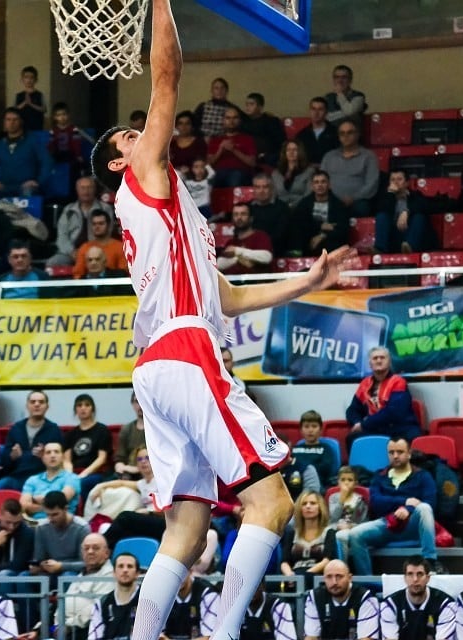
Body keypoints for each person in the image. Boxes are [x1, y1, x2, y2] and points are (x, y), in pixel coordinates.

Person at [90, 3, 349, 638]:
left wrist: (308, 282)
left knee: (186, 528)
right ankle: (224, 631)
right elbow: (168, 77)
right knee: (272, 500)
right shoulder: (144, 179)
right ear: (122, 164)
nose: (140, 134)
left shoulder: (178, 219)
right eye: (129, 137)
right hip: (184, 351)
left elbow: (228, 298)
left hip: (157, 368)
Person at [337, 438, 441, 576]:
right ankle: (367, 582)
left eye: (400, 452)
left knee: (424, 508)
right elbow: (376, 502)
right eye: (391, 452)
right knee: (355, 534)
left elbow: (430, 502)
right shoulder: (380, 476)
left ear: (409, 453)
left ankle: (430, 561)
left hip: (412, 525)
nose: (395, 456)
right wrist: (405, 501)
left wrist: (408, 510)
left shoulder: (423, 476)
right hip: (386, 524)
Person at [345, 346, 421, 450]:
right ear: (370, 364)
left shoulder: (398, 382)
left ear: (389, 362)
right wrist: (357, 422)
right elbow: (352, 409)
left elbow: (393, 412)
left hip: (399, 428)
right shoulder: (365, 384)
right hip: (375, 429)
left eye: (382, 358)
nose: (379, 361)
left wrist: (364, 425)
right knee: (352, 439)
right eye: (375, 358)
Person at [0, 390, 63, 492]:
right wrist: (12, 456)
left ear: (47, 407)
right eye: (33, 402)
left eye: (41, 402)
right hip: (16, 476)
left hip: (41, 477)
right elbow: (4, 461)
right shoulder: (16, 428)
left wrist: (44, 456)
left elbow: (59, 461)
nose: (37, 405)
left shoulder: (54, 430)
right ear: (27, 405)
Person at [0, 108, 53, 198]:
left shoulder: (33, 141)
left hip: (26, 187)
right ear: (4, 123)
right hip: (3, 188)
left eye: (15, 119)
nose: (11, 123)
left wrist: (37, 182)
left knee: (28, 193)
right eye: (8, 120)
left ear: (21, 121)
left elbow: (47, 162)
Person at [380, 556, 457, 640]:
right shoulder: (390, 604)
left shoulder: (445, 604)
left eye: (420, 574)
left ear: (428, 578)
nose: (415, 579)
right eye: (410, 574)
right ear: (405, 578)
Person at [302, 559, 380, 640]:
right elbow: (311, 637)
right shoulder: (314, 597)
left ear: (350, 578)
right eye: (329, 577)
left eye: (339, 576)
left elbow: (366, 638)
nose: (334, 582)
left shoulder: (365, 598)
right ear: (324, 579)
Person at [50, 176, 115, 267]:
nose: (86, 191)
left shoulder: (105, 208)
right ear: (77, 190)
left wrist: (90, 251)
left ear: (94, 189)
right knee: (53, 263)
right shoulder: (68, 210)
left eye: (89, 187)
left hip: (98, 250)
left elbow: (108, 232)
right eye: (83, 188)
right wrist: (71, 252)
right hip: (71, 252)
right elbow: (62, 236)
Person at [319, 119, 378, 218]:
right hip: (331, 200)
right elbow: (321, 180)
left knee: (362, 208)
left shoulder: (369, 156)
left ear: (358, 134)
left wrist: (353, 198)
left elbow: (371, 184)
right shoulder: (329, 156)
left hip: (357, 202)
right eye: (342, 133)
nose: (345, 136)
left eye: (349, 132)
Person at [62, 533, 116, 640]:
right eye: (86, 548)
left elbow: (95, 610)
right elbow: (62, 605)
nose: (90, 551)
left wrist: (67, 625)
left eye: (95, 548)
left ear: (107, 553)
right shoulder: (80, 575)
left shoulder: (110, 576)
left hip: (87, 632)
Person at [279, 491, 337, 587]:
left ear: (320, 507)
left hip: (317, 576)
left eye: (313, 503)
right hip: (293, 576)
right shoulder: (292, 533)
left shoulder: (329, 532)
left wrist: (305, 575)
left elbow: (327, 560)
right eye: (304, 504)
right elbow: (284, 562)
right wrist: (289, 575)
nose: (308, 506)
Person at [289, 170, 352, 256]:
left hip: (329, 241)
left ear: (329, 185)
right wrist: (320, 225)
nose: (320, 185)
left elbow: (343, 229)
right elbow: (299, 224)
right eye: (316, 182)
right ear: (312, 186)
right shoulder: (304, 203)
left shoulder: (338, 205)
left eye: (323, 182)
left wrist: (323, 235)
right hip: (308, 240)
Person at [63, 393, 112, 503]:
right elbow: (66, 460)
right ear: (75, 410)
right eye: (79, 405)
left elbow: (101, 458)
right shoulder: (70, 434)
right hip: (74, 472)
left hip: (96, 473)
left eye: (87, 405)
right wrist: (71, 476)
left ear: (92, 409)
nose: (83, 408)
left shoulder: (102, 430)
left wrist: (83, 474)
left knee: (83, 483)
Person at [29, 491, 89, 581]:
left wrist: (61, 566)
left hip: (72, 572)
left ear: (65, 509)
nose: (51, 519)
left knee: (67, 576)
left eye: (55, 514)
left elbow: (86, 563)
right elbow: (39, 558)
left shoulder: (82, 528)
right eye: (48, 515)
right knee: (24, 576)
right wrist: (38, 566)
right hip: (49, 572)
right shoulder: (41, 528)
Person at [20, 442, 81, 521]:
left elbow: (60, 500)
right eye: (48, 452)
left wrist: (33, 499)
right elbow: (24, 506)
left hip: (61, 525)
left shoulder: (72, 478)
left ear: (62, 457)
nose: (52, 455)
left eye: (56, 452)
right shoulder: (32, 480)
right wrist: (52, 508)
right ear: (43, 458)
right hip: (34, 524)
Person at [87, 553, 141, 640]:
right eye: (121, 566)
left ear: (137, 573)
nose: (125, 570)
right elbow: (94, 637)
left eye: (130, 566)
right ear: (114, 572)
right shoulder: (101, 604)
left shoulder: (147, 601)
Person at [374, 169, 427, 254]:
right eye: (392, 180)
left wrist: (406, 212)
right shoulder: (385, 197)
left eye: (399, 179)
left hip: (410, 234)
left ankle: (410, 247)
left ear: (407, 183)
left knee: (419, 217)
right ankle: (380, 249)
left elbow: (423, 207)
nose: (395, 182)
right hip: (392, 236)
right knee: (381, 216)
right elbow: (381, 209)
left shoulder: (416, 195)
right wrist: (390, 194)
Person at [206, 106, 257, 188]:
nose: (231, 121)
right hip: (218, 173)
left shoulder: (247, 139)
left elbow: (252, 163)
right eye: (228, 118)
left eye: (235, 118)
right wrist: (221, 149)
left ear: (239, 120)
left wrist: (234, 150)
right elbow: (209, 163)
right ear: (223, 120)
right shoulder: (215, 140)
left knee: (235, 176)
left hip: (241, 173)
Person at [217, 202, 273, 275]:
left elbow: (266, 257)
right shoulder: (231, 242)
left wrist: (237, 251)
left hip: (257, 284)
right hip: (234, 284)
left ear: (251, 218)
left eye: (243, 214)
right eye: (236, 214)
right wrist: (239, 258)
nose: (239, 217)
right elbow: (219, 264)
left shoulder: (261, 236)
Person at [73, 209, 129, 279]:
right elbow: (78, 275)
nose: (97, 227)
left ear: (108, 225)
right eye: (94, 224)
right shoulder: (84, 248)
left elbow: (123, 273)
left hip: (112, 287)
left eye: (101, 223)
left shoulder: (120, 247)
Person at [160, 571, 215, 640]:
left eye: (180, 570)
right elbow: (158, 636)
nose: (177, 577)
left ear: (190, 570)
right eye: (172, 572)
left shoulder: (207, 593)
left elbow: (210, 637)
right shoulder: (161, 593)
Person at [292, 410, 339, 489]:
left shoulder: (326, 448)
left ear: (320, 429)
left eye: (314, 426)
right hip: (295, 483)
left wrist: (304, 468)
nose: (310, 430)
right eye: (306, 426)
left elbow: (326, 469)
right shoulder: (295, 449)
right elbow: (290, 467)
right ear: (301, 430)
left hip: (318, 484)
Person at [240, 92, 285, 169]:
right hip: (249, 156)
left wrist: (266, 154)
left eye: (251, 104)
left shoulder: (271, 121)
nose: (248, 107)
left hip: (269, 155)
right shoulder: (243, 123)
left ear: (260, 107)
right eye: (247, 104)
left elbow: (281, 141)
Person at [249, 173, 291, 254]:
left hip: (275, 250)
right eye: (258, 187)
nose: (261, 191)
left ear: (271, 189)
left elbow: (281, 235)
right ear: (253, 189)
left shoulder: (282, 208)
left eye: (265, 187)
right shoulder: (247, 208)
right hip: (250, 250)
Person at [326, 466, 369, 538]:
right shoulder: (333, 497)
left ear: (355, 483)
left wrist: (351, 526)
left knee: (344, 536)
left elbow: (363, 522)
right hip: (334, 528)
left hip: (352, 530)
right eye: (343, 480)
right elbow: (333, 518)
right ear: (338, 482)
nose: (346, 483)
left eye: (350, 480)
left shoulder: (360, 499)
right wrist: (341, 500)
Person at [296, 97, 339, 166]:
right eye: (313, 109)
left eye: (320, 109)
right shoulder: (301, 135)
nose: (316, 113)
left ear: (326, 112)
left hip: (330, 170)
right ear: (309, 111)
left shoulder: (336, 133)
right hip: (307, 171)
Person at [271, 140, 314, 208]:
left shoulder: (309, 172)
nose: (291, 152)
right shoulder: (276, 173)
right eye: (288, 150)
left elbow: (308, 195)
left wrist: (293, 206)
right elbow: (273, 196)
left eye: (295, 150)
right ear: (285, 153)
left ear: (300, 152)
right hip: (281, 210)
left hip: (301, 208)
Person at [114, 392, 146, 479]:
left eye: (143, 400)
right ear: (132, 404)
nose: (140, 405)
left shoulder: (157, 430)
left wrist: (135, 469)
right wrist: (120, 467)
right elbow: (119, 458)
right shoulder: (126, 429)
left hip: (150, 473)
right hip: (128, 473)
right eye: (137, 401)